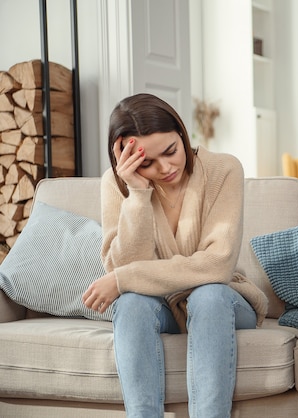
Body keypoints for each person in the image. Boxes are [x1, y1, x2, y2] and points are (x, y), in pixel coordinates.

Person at [81, 93, 268, 418]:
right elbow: (122, 266)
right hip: (161, 306)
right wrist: (137, 194)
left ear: (182, 134)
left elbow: (217, 265)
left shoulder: (223, 169)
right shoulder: (115, 184)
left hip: (225, 301)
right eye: (147, 162)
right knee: (131, 304)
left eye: (171, 151)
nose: (166, 167)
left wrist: (125, 279)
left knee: (208, 295)